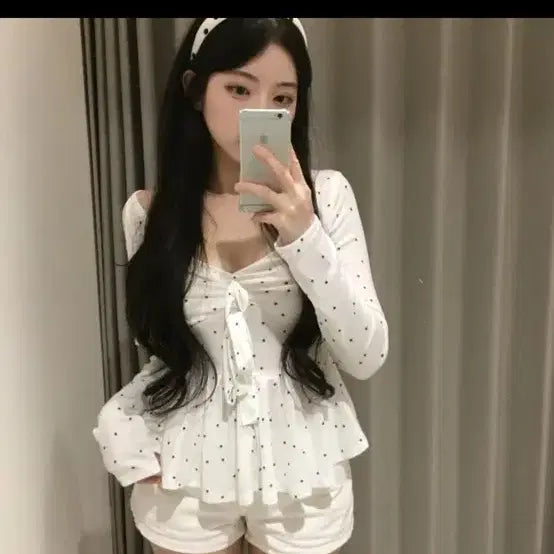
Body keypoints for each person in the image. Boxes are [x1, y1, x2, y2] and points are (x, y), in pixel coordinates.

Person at [92, 17, 389, 554]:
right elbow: (167, 352)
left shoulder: (326, 198)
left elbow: (365, 355)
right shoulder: (149, 214)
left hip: (302, 471)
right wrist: (121, 419)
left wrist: (304, 236)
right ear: (194, 89)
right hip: (186, 472)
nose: (260, 111)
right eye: (238, 89)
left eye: (282, 97)